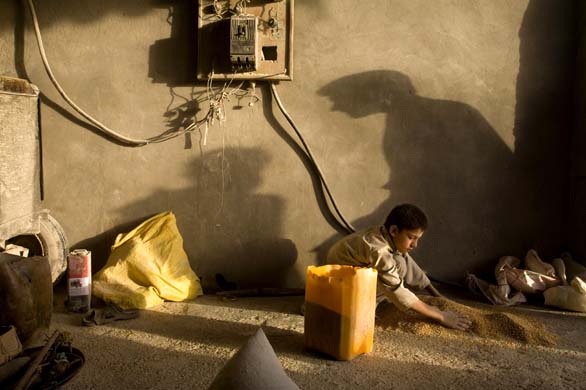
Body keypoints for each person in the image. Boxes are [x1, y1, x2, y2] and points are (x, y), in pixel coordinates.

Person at [326, 203, 472, 331]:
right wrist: (440, 315)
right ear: (394, 230)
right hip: (339, 279)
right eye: (411, 238)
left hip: (355, 270)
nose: (415, 245)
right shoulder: (379, 250)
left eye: (417, 239)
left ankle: (371, 301)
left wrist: (437, 296)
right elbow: (396, 290)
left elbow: (408, 262)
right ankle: (360, 308)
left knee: (400, 262)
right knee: (394, 275)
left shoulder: (387, 235)